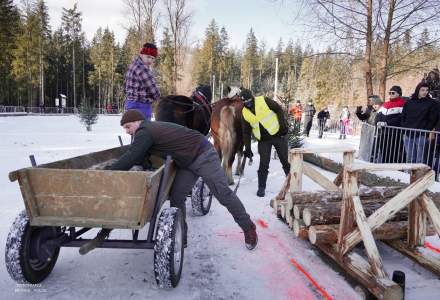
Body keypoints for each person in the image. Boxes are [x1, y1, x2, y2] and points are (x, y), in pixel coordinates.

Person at [80, 109, 258, 253]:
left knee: (223, 194)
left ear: (137, 122)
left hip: (203, 155)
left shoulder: (145, 130)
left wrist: (110, 172)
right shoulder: (149, 130)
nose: (127, 131)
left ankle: (248, 227)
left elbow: (133, 155)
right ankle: (180, 236)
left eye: (128, 127)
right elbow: (143, 155)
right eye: (125, 129)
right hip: (187, 162)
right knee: (177, 197)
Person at [240, 89, 290, 197]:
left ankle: (292, 183)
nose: (248, 104)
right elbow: (246, 132)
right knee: (263, 164)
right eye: (245, 103)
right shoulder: (244, 113)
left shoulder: (263, 100)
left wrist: (282, 126)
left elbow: (278, 109)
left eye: (249, 101)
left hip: (278, 135)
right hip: (263, 140)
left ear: (252, 98)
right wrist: (248, 148)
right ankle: (261, 187)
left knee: (285, 161)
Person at [401, 82, 437, 163]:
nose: (425, 92)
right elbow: (403, 116)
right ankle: (409, 175)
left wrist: (425, 131)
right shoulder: (409, 102)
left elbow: (433, 119)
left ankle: (420, 175)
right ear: (418, 90)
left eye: (427, 90)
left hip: (421, 134)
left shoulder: (431, 103)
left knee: (420, 159)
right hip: (408, 134)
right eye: (422, 90)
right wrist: (404, 129)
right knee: (410, 158)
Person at [124, 43, 160, 120]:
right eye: (148, 57)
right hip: (141, 107)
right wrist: (157, 97)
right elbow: (154, 91)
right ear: (141, 54)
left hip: (130, 104)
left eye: (153, 58)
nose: (150, 60)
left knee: (133, 130)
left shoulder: (133, 64)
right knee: (144, 130)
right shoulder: (142, 68)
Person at [375, 85, 406, 163]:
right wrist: (378, 122)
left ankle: (392, 169)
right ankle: (385, 167)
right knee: (383, 151)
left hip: (394, 133)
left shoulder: (403, 104)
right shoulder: (386, 104)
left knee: (392, 152)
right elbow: (379, 114)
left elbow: (400, 118)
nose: (391, 94)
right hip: (383, 132)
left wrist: (387, 123)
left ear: (399, 94)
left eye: (393, 93)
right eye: (390, 93)